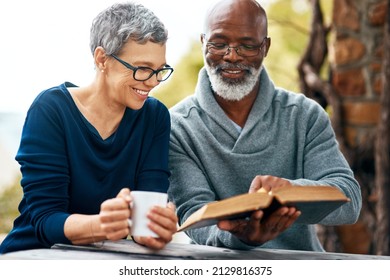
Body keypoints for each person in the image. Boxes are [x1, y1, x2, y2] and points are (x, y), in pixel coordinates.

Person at [168, 0, 362, 251]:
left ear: (266, 47)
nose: (232, 56)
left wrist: (292, 192)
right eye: (219, 43)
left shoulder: (304, 115)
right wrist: (239, 236)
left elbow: (350, 201)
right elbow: (192, 215)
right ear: (203, 42)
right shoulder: (177, 127)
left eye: (247, 45)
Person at [0, 2, 178, 254]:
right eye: (142, 69)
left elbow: (144, 224)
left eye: (160, 70)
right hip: (32, 255)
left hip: (99, 259)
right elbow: (45, 221)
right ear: (102, 58)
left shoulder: (155, 117)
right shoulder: (51, 109)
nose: (152, 82)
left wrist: (154, 228)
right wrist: (101, 225)